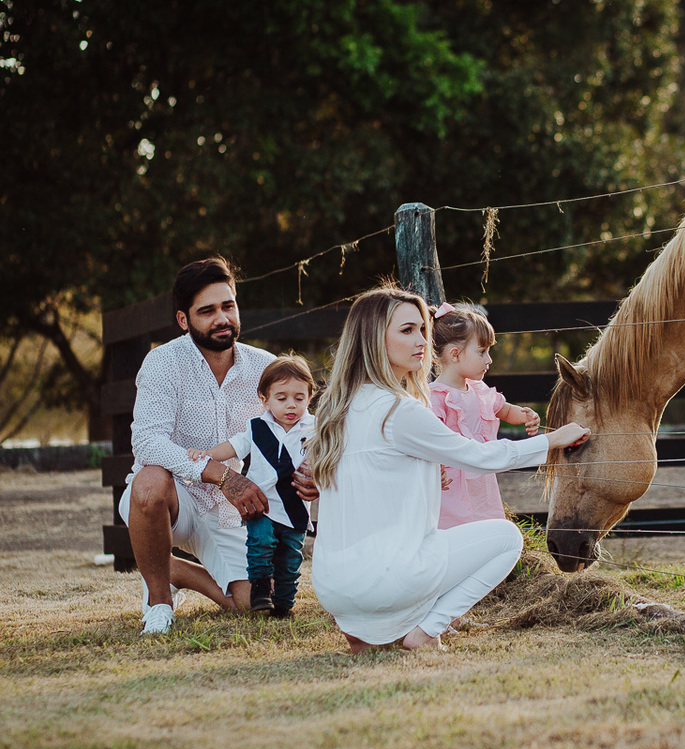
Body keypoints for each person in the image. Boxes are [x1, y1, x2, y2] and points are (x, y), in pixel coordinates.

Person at [306, 285, 589, 653]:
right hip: (385, 579)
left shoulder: (336, 408)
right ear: (374, 340)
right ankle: (425, 632)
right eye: (407, 331)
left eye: (422, 329)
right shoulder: (399, 410)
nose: (422, 340)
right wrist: (552, 441)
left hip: (333, 586)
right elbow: (481, 456)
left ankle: (367, 630)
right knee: (507, 539)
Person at [120, 256, 317, 635]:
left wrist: (313, 475)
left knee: (259, 603)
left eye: (228, 306)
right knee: (148, 482)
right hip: (173, 499)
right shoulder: (162, 363)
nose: (222, 318)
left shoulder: (267, 367)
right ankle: (159, 602)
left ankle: (170, 567)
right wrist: (221, 474)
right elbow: (146, 441)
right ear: (184, 320)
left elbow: (301, 435)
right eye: (207, 311)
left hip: (232, 509)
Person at [187, 354, 317, 617]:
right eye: (281, 398)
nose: (291, 405)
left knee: (290, 559)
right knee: (260, 543)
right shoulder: (256, 427)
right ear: (264, 399)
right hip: (263, 504)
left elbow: (328, 457)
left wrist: (318, 473)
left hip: (295, 509)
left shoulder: (314, 429)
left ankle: (283, 604)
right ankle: (259, 589)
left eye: (299, 398)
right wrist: (207, 455)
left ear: (309, 397)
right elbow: (234, 446)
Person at [429, 302, 540, 528]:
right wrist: (433, 467)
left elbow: (504, 409)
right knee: (458, 528)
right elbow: (429, 440)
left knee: (485, 524)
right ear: (455, 354)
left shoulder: (479, 390)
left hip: (481, 481)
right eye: (482, 352)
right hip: (451, 485)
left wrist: (525, 415)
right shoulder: (436, 397)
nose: (489, 360)